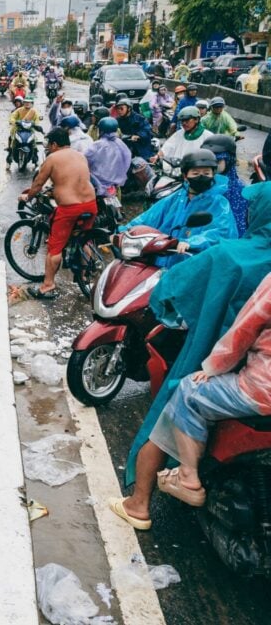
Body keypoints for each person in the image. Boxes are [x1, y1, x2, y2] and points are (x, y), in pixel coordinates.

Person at [111, 182, 271, 530]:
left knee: (171, 405)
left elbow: (171, 293)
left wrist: (209, 364)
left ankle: (140, 503)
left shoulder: (229, 255)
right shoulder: (199, 207)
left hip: (223, 356)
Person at [12, 128, 97, 300]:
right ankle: (84, 275)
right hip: (90, 205)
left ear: (54, 144)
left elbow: (38, 183)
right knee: (83, 239)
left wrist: (28, 197)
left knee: (54, 248)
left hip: (69, 209)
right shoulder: (80, 155)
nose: (48, 148)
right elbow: (72, 180)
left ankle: (48, 286)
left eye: (49, 144)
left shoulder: (52, 158)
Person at [120, 150, 237, 267]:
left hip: (194, 264)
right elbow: (150, 216)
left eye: (207, 173)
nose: (201, 177)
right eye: (195, 174)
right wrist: (125, 231)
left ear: (213, 175)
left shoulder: (219, 203)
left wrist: (191, 243)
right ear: (185, 176)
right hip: (163, 256)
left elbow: (222, 232)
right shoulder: (177, 197)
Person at [202, 134, 248, 235]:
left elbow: (237, 224)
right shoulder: (198, 182)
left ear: (229, 160)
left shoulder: (238, 190)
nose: (212, 166)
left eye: (217, 161)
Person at [85, 117, 131, 196]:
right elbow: (127, 160)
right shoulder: (121, 143)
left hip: (98, 183)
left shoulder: (97, 144)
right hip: (116, 182)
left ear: (101, 130)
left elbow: (85, 157)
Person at [7, 96, 39, 163]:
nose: (27, 104)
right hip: (18, 129)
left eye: (29, 102)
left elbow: (37, 120)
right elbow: (12, 116)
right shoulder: (19, 110)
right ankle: (10, 156)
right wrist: (14, 121)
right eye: (26, 102)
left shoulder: (34, 112)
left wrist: (35, 124)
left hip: (30, 129)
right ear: (23, 103)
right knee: (12, 141)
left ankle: (35, 158)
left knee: (34, 142)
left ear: (32, 103)